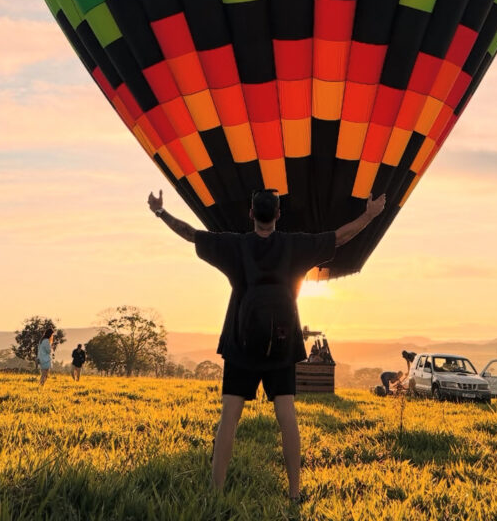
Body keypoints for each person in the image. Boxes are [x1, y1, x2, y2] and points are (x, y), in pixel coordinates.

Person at [148, 185, 386, 503]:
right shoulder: (295, 245)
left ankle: (215, 492)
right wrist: (369, 215)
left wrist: (161, 212)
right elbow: (339, 237)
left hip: (240, 341)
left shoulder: (234, 246)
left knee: (229, 417)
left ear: (251, 214)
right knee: (286, 415)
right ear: (277, 214)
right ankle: (294, 492)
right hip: (283, 343)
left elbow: (191, 234)